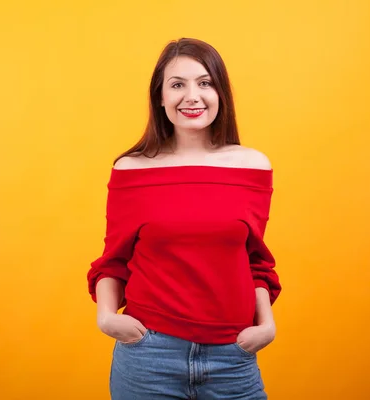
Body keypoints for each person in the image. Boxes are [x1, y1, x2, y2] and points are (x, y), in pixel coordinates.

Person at [86, 37, 282, 400]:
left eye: (205, 83)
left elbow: (255, 261)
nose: (192, 96)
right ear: (160, 98)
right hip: (149, 356)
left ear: (220, 93)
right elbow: (113, 262)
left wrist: (266, 326)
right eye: (177, 85)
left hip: (233, 356)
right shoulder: (132, 170)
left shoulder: (252, 166)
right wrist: (108, 318)